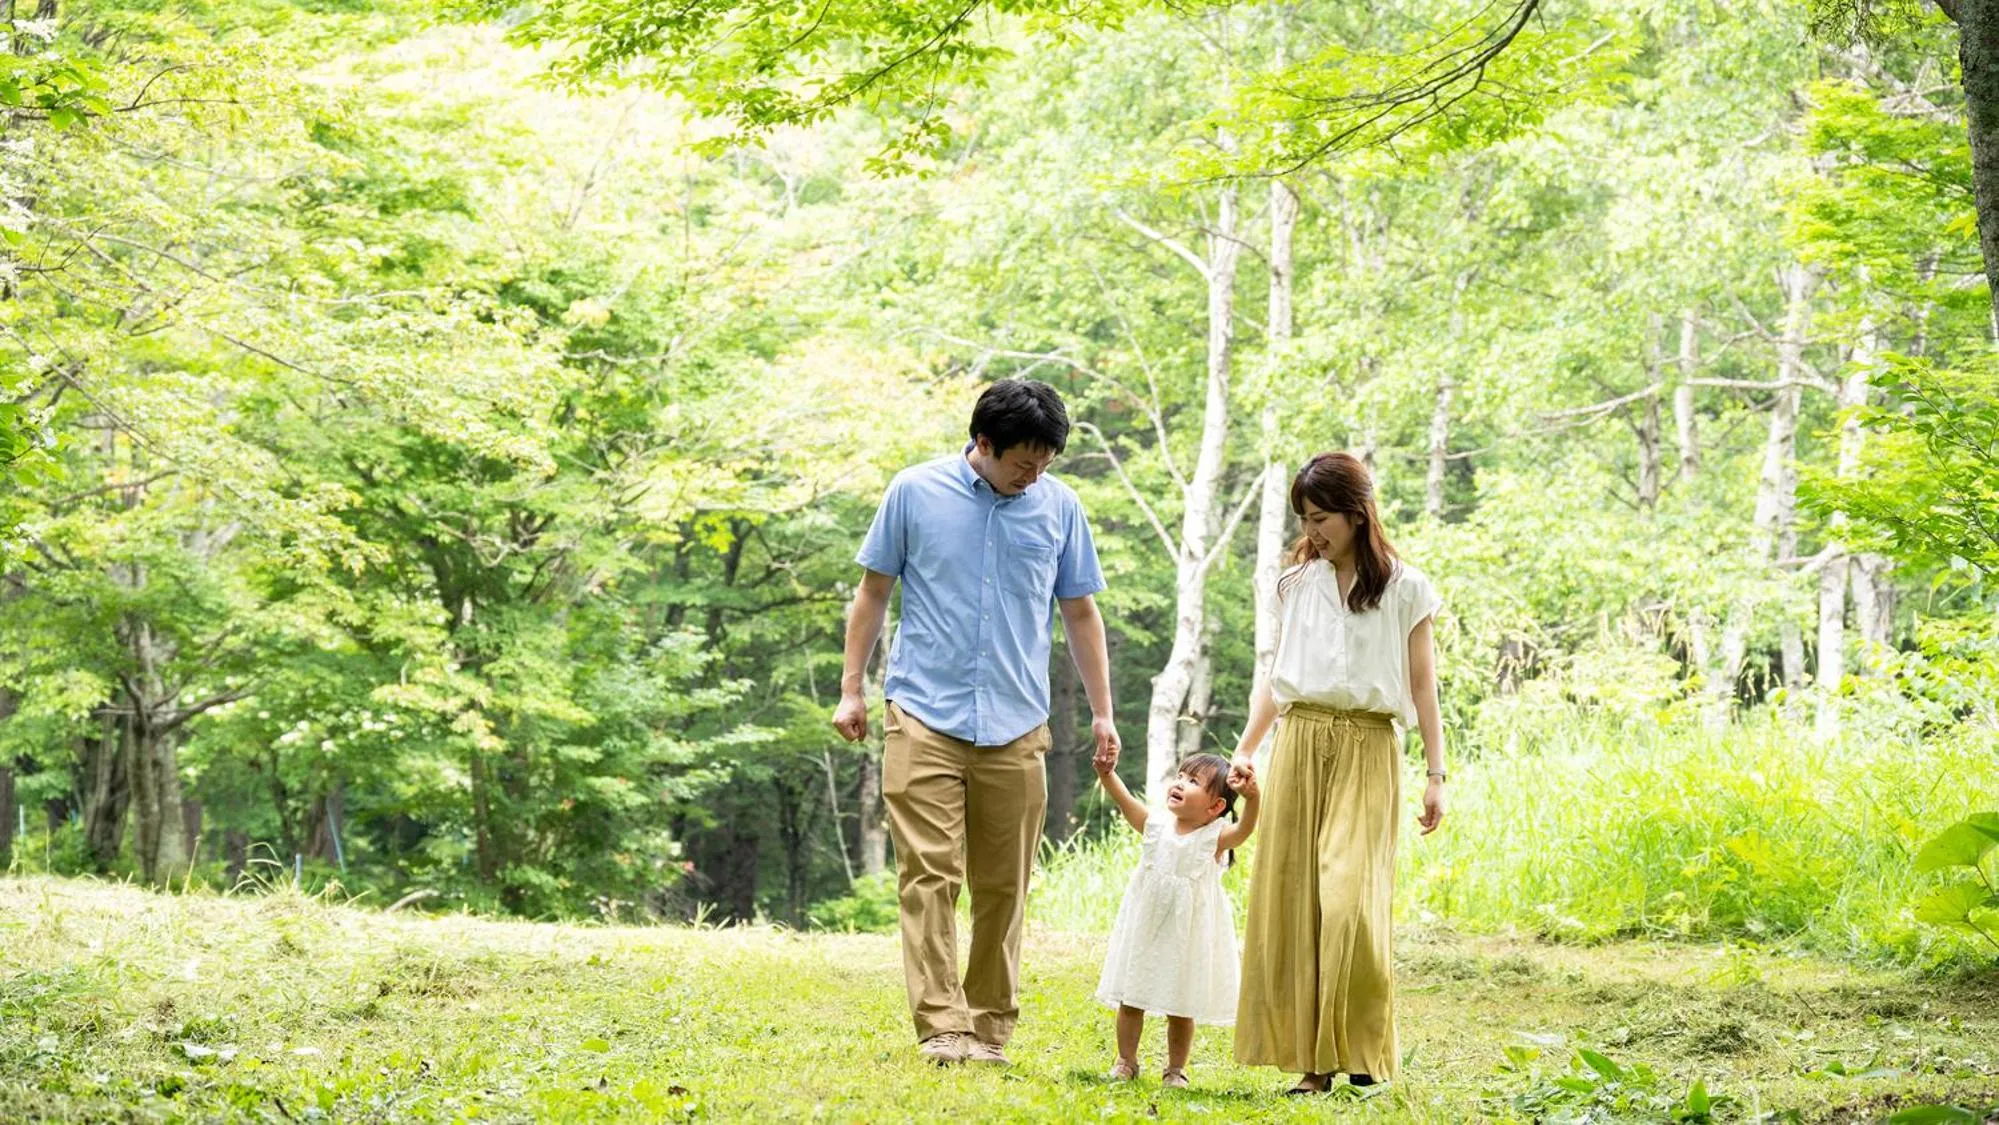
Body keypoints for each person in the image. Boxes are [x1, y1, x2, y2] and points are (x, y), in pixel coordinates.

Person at [832, 378, 1119, 1067]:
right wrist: (851, 691)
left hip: (1017, 721)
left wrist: (1104, 710)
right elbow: (873, 592)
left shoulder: (1059, 507)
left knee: (1004, 883)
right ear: (982, 444)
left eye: (1045, 463)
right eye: (1023, 462)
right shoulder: (913, 491)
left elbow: (1080, 612)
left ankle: (988, 1023)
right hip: (923, 710)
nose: (1033, 475)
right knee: (929, 873)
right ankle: (942, 1024)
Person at [1229, 451, 1448, 1094]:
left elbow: (1423, 685)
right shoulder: (1298, 583)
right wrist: (1247, 748)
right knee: (1296, 899)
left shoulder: (1408, 588)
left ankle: (1363, 1052)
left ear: (1357, 514)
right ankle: (1312, 1065)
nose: (1312, 531)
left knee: (1349, 895)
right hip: (1300, 741)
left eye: (1321, 517)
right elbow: (1278, 676)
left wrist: (1438, 775)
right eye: (1305, 518)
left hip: (1369, 744)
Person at [1092, 752, 1260, 1089]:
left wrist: (1253, 797)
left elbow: (1244, 829)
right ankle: (1126, 1060)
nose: (1180, 783)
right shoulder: (1155, 826)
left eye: (1193, 782)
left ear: (1215, 808)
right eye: (1181, 776)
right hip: (1146, 927)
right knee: (1131, 995)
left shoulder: (1214, 838)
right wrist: (1108, 774)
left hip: (1188, 934)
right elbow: (1125, 801)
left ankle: (1175, 1068)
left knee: (1182, 1004)